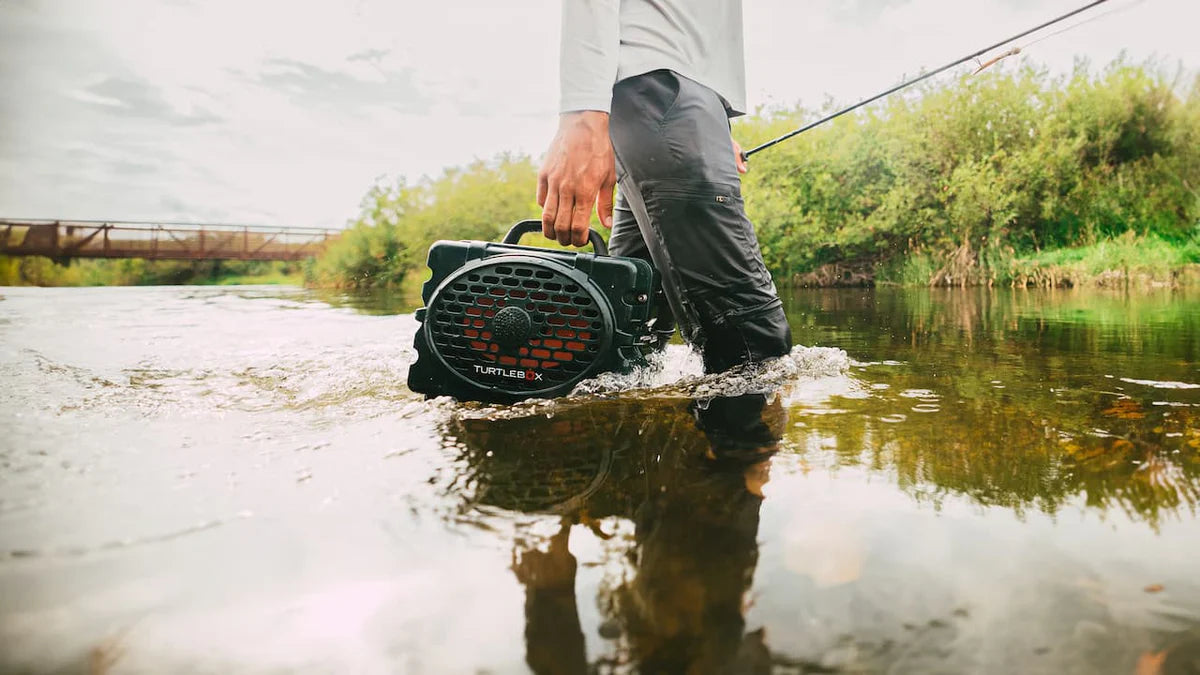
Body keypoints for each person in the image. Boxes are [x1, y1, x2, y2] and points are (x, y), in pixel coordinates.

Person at [537, 0, 793, 374]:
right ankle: (742, 433)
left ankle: (603, 428)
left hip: (673, 108)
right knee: (757, 346)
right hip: (660, 94)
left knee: (630, 332)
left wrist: (712, 130)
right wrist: (582, 113)